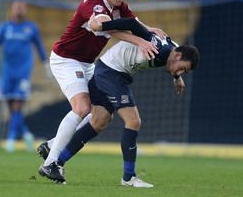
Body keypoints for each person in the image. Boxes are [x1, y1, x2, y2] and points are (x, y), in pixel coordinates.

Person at [38, 16, 200, 187]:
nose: (180, 71)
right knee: (133, 121)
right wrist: (101, 26)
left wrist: (176, 77)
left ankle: (55, 163)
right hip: (111, 73)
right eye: (182, 68)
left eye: (184, 71)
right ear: (178, 55)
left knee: (99, 121)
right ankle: (129, 177)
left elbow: (173, 60)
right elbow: (131, 23)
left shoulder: (173, 50)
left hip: (107, 69)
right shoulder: (158, 48)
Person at [38, 0, 166, 174]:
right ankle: (50, 163)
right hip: (67, 60)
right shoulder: (94, 3)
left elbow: (133, 22)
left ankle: (52, 144)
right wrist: (139, 40)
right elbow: (102, 25)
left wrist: (149, 29)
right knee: (81, 108)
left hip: (88, 64)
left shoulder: (119, 7)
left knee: (102, 114)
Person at [0, 0, 50, 152]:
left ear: (25, 10)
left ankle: (11, 140)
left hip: (23, 73)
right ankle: (26, 134)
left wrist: (46, 64)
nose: (19, 10)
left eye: (21, 7)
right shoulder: (4, 27)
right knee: (12, 109)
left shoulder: (31, 28)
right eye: (16, 7)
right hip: (7, 72)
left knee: (17, 106)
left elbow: (39, 47)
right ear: (11, 9)